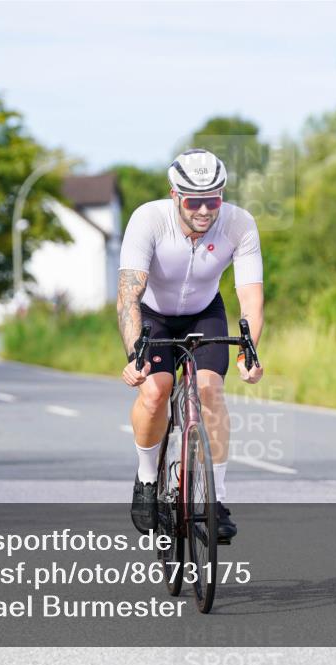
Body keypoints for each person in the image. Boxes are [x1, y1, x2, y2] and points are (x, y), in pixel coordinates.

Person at [116, 149, 265, 543]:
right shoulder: (148, 220)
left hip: (204, 311)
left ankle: (217, 501)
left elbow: (250, 296)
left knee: (209, 389)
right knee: (155, 391)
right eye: (193, 201)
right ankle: (148, 478)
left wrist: (249, 351)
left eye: (212, 199)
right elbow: (129, 296)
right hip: (154, 315)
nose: (204, 210)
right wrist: (136, 355)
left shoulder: (239, 224)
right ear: (174, 195)